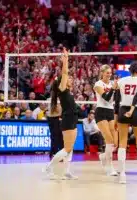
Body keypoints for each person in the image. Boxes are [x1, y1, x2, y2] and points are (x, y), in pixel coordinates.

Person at [43, 48, 78, 180]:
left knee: (70, 147)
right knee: (67, 148)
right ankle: (48, 167)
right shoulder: (62, 89)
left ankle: (67, 171)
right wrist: (66, 60)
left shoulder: (68, 92)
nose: (70, 79)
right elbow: (64, 72)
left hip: (73, 118)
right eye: (68, 78)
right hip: (68, 120)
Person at [114, 62, 137, 184]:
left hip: (122, 110)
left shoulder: (121, 81)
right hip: (136, 111)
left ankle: (122, 174)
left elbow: (117, 100)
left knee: (122, 141)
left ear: (129, 70)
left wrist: (116, 116)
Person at [93, 65, 118, 176]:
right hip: (101, 111)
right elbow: (106, 98)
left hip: (110, 111)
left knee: (114, 142)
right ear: (102, 73)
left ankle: (103, 156)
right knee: (109, 139)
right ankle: (109, 166)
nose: (109, 74)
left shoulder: (112, 84)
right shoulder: (98, 84)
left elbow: (115, 99)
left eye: (110, 72)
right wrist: (113, 88)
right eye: (107, 72)